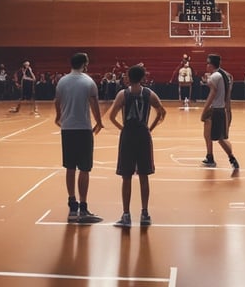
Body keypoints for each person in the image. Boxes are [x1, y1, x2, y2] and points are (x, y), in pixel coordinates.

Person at [108, 65, 166, 227]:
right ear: (143, 78)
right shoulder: (149, 94)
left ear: (128, 77)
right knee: (144, 175)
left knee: (126, 177)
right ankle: (145, 213)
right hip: (143, 135)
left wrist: (123, 128)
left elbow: (112, 117)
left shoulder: (123, 94)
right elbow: (162, 112)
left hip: (128, 136)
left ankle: (126, 215)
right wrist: (150, 127)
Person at [55, 52, 104, 223]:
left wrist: (58, 116)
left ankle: (72, 205)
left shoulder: (62, 81)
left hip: (67, 129)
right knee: (84, 168)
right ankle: (83, 208)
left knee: (70, 167)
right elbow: (94, 104)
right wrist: (99, 122)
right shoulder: (88, 82)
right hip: (83, 129)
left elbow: (57, 101)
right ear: (84, 64)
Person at [200, 54, 239, 169]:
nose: (206, 65)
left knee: (217, 137)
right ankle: (211, 156)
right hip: (223, 109)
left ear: (211, 65)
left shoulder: (214, 77)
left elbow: (212, 95)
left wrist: (204, 110)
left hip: (215, 110)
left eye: (207, 63)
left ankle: (226, 158)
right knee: (215, 136)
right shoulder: (224, 75)